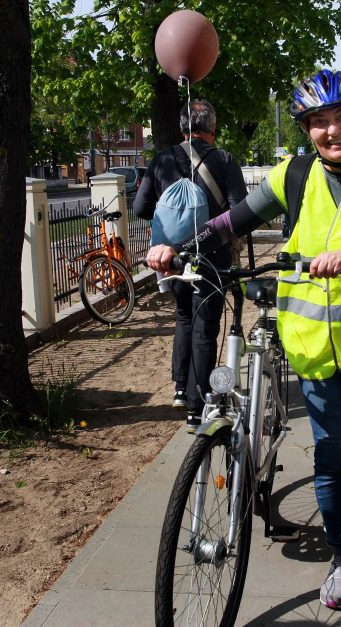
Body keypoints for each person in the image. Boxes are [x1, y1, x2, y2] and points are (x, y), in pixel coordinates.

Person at [146, 69, 341, 610]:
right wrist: (180, 246)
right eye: (318, 122)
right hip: (317, 347)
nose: (331, 131)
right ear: (306, 130)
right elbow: (231, 221)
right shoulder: (292, 176)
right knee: (333, 453)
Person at [134, 99, 247, 432]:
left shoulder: (162, 159)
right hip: (212, 260)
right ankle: (199, 406)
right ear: (212, 128)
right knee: (205, 327)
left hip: (171, 259)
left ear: (183, 127)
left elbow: (141, 208)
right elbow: (240, 213)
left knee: (184, 316)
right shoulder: (225, 161)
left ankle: (181, 388)